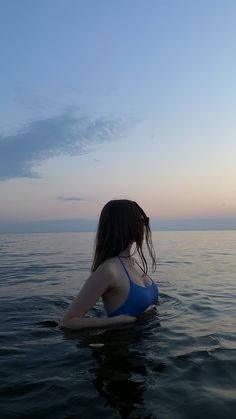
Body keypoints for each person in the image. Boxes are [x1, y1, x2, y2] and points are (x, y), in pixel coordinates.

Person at [59, 199, 158, 330]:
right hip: (121, 346)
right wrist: (117, 321)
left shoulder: (133, 262)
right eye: (142, 221)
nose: (145, 226)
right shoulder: (108, 270)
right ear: (127, 225)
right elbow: (67, 322)